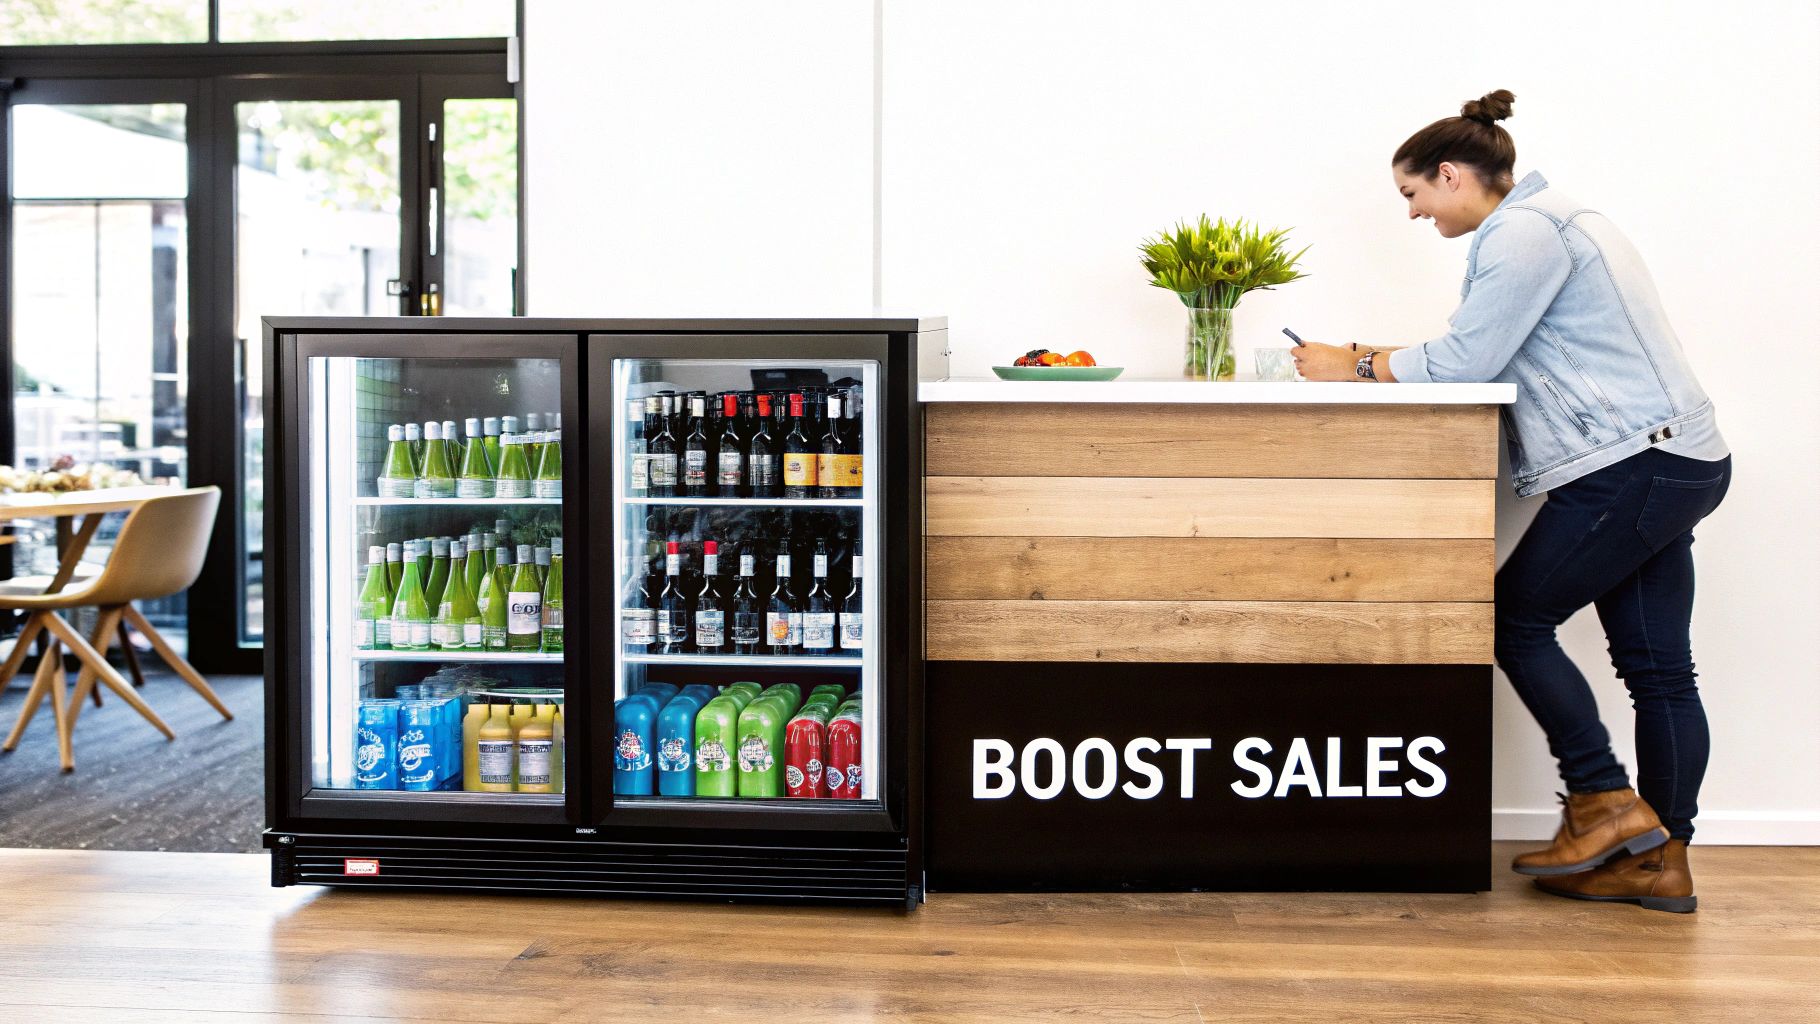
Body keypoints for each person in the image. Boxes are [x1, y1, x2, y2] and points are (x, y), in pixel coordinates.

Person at [1293, 90, 1732, 913]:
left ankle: (1603, 803)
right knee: (1660, 671)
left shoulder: (1522, 234)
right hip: (1674, 457)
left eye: (1413, 196)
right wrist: (1364, 354)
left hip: (1634, 463)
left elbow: (1461, 365)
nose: (1414, 215)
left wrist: (1353, 364)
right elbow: (1480, 351)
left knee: (1511, 620)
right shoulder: (1556, 220)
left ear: (1451, 175)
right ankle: (1661, 862)